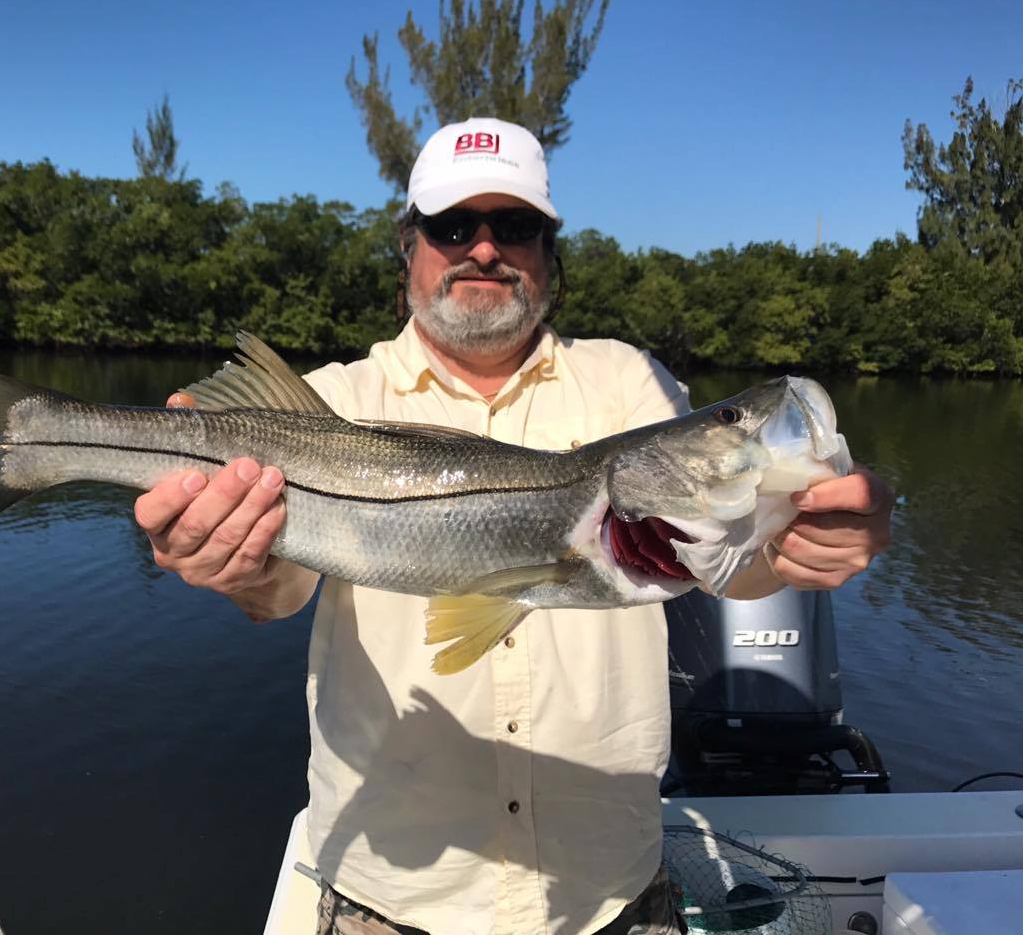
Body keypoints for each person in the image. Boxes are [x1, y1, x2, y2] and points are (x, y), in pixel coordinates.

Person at [133, 118, 893, 935]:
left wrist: (798, 543)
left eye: (516, 226)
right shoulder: (331, 403)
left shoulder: (631, 385)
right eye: (454, 225)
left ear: (550, 253)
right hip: (390, 899)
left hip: (607, 896)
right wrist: (232, 560)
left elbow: (723, 563)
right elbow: (280, 591)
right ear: (410, 247)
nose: (484, 248)